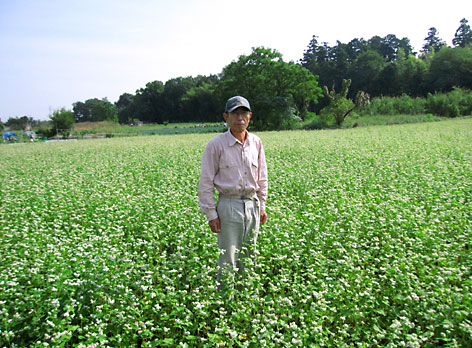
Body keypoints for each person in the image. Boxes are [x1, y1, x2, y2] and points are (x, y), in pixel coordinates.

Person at [198, 96, 268, 291]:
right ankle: (226, 306)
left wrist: (262, 206)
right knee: (228, 259)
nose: (240, 118)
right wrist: (211, 214)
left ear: (250, 116)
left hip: (252, 205)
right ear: (226, 117)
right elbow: (205, 182)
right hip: (228, 206)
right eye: (235, 113)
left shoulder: (256, 142)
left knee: (249, 256)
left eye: (244, 113)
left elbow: (262, 177)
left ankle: (246, 302)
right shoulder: (216, 145)